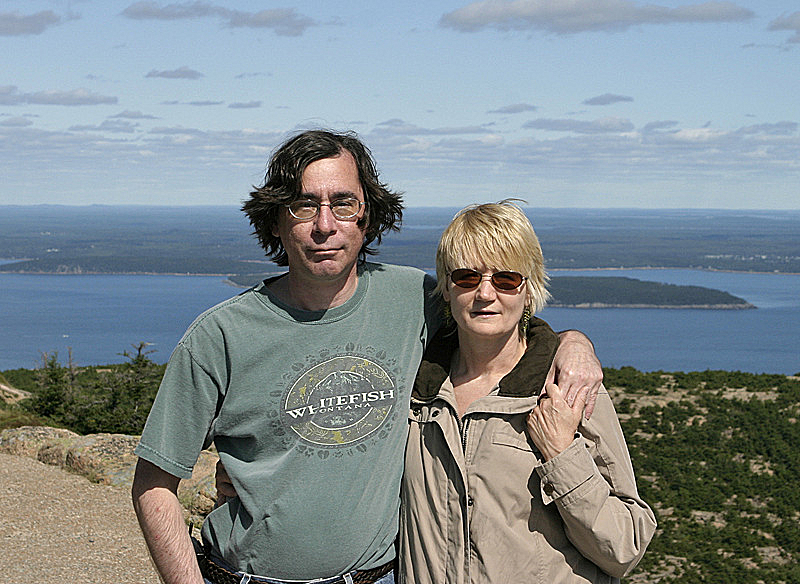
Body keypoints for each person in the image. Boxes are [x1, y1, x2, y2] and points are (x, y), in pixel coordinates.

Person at [131, 130, 604, 584]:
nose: (324, 224)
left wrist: (573, 341)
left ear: (368, 215)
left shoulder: (414, 299)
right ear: (275, 219)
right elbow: (154, 485)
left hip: (380, 577)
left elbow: (496, 319)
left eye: (343, 203)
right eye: (302, 204)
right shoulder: (220, 335)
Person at [398, 201, 656, 583]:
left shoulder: (567, 389)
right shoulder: (413, 391)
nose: (486, 294)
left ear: (528, 289)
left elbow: (625, 546)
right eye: (467, 278)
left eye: (505, 280)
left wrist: (562, 455)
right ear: (447, 289)